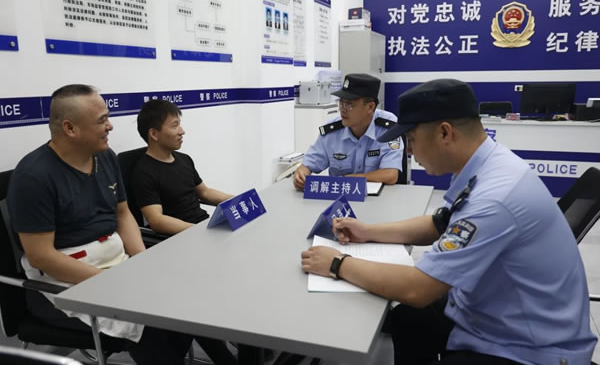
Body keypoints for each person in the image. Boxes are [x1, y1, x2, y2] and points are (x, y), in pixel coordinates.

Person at [301, 79, 597, 364]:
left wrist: (337, 264)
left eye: (412, 140)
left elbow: (419, 289)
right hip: (494, 311)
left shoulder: (494, 198)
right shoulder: (486, 164)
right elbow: (438, 223)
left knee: (411, 307)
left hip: (528, 349)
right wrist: (367, 231)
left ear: (444, 133)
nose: (409, 151)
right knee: (407, 319)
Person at [7, 85, 236, 365]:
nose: (110, 126)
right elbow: (42, 256)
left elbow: (123, 214)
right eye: (102, 120)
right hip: (62, 282)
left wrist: (141, 262)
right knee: (147, 320)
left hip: (117, 265)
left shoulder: (104, 157)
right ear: (70, 128)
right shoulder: (34, 176)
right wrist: (113, 282)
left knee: (186, 297)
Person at [132, 99, 233, 235]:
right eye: (175, 126)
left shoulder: (184, 159)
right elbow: (156, 220)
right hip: (182, 236)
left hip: (203, 227)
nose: (182, 131)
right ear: (154, 134)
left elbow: (205, 192)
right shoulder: (143, 173)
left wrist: (237, 200)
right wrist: (199, 231)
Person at [293, 73, 404, 191]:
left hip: (379, 199)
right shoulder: (332, 132)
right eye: (341, 103)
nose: (342, 109)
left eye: (349, 105)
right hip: (340, 198)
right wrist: (301, 174)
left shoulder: (388, 128)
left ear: (370, 107)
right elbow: (307, 165)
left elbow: (390, 175)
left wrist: (351, 180)